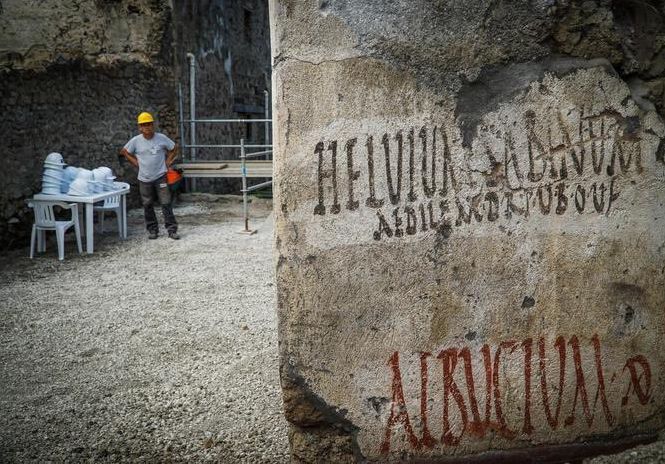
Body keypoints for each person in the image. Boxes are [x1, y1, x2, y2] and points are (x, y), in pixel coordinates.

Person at [120, 112, 180, 240]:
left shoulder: (161, 138)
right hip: (144, 178)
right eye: (144, 125)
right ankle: (152, 230)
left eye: (149, 124)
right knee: (147, 204)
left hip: (161, 176)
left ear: (153, 125)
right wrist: (135, 162)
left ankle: (172, 230)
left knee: (166, 203)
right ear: (140, 127)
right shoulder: (136, 141)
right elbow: (124, 151)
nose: (147, 127)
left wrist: (168, 161)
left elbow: (174, 148)